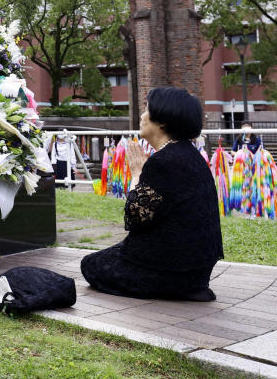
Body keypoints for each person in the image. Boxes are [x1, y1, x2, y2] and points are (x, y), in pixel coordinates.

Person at [80, 87, 224, 301]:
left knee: (90, 265)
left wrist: (138, 171)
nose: (142, 115)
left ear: (162, 121)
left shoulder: (163, 161)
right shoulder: (189, 155)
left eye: (147, 109)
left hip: (171, 271)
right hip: (197, 272)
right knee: (110, 254)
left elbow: (135, 216)